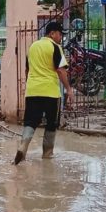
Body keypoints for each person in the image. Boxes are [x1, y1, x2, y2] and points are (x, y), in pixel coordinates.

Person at [14, 21, 74, 165]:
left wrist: (30, 85)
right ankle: (47, 154)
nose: (60, 38)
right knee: (51, 123)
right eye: (59, 34)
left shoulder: (33, 47)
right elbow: (61, 70)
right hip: (50, 92)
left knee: (30, 122)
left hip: (33, 91)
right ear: (52, 33)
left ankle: (23, 147)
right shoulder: (55, 47)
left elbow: (27, 70)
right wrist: (69, 89)